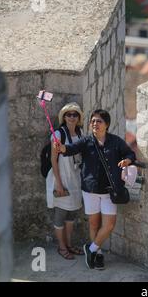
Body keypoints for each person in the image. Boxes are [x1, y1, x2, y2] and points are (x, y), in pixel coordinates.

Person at [54, 109, 136, 270]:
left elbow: (130, 154)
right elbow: (70, 149)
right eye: (93, 121)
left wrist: (126, 160)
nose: (95, 124)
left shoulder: (115, 141)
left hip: (109, 191)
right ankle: (97, 254)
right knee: (93, 224)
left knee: (109, 224)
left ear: (106, 125)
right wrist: (61, 148)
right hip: (90, 189)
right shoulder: (86, 141)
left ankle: (90, 249)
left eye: (99, 121)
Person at [46, 102, 85, 260]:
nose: (72, 117)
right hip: (61, 178)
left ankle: (69, 244)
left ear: (78, 118)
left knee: (72, 215)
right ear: (64, 117)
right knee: (60, 214)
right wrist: (59, 183)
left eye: (75, 114)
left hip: (75, 179)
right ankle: (61, 247)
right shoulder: (58, 135)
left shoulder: (81, 133)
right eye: (69, 114)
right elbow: (54, 160)